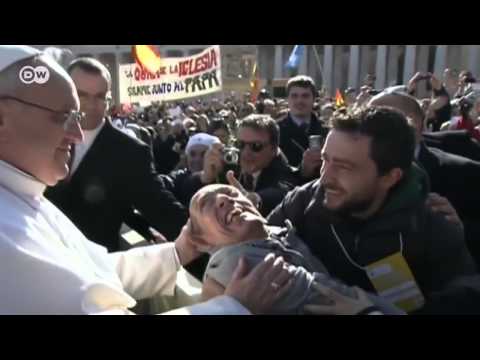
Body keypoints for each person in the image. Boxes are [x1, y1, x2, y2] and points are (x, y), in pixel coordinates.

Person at [0, 45, 295, 315]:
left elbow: (91, 271)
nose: (77, 133)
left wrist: (179, 250)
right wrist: (231, 308)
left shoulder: (23, 194)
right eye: (61, 116)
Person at [267, 106, 476, 313]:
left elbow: (465, 300)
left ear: (390, 177)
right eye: (325, 160)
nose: (325, 177)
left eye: (343, 167)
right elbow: (259, 248)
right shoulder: (303, 202)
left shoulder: (431, 228)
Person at [187, 183, 404, 315]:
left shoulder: (273, 231)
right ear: (204, 242)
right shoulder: (236, 266)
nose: (225, 198)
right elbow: (329, 295)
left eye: (231, 192)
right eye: (206, 203)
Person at [45, 57, 188, 251]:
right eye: (82, 95)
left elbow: (161, 208)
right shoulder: (40, 134)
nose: (90, 104)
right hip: (34, 255)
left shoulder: (130, 152)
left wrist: (208, 232)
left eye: (99, 96)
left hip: (91, 267)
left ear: (109, 99)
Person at [369, 91, 480, 266]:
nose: (367, 127)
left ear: (413, 122)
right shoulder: (358, 169)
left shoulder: (464, 172)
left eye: (377, 117)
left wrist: (459, 229)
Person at [199, 115, 298, 217]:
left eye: (256, 146)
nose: (246, 152)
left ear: (273, 149)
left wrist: (255, 199)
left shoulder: (284, 172)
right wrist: (205, 177)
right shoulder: (230, 163)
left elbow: (283, 190)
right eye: (240, 144)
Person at [277, 76, 329, 183]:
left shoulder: (328, 132)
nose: (299, 100)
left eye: (305, 96)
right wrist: (301, 171)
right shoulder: (274, 131)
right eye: (294, 96)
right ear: (287, 99)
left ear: (314, 99)